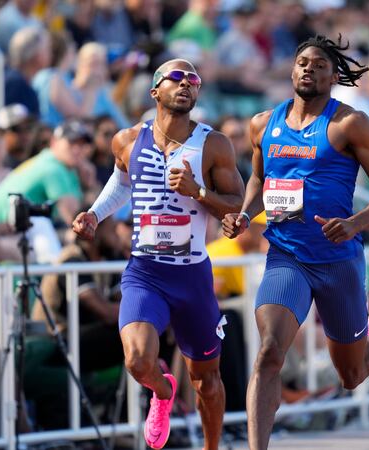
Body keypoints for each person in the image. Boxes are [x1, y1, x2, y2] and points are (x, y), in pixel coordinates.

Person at [221, 35, 369, 450]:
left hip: (338, 261)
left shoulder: (349, 124)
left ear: (334, 76)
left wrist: (354, 225)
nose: (309, 68)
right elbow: (257, 178)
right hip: (286, 257)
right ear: (291, 70)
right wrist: (245, 214)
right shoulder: (263, 123)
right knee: (269, 352)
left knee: (351, 376)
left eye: (320, 64)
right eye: (303, 62)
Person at [71, 58, 245, 450]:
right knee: (137, 361)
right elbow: (121, 181)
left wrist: (198, 193)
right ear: (155, 92)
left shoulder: (213, 144)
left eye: (194, 80)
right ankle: (163, 392)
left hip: (191, 276)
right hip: (145, 272)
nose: (187, 85)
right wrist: (95, 215)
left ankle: (211, 447)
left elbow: (236, 204)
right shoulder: (128, 139)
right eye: (177, 78)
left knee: (206, 381)